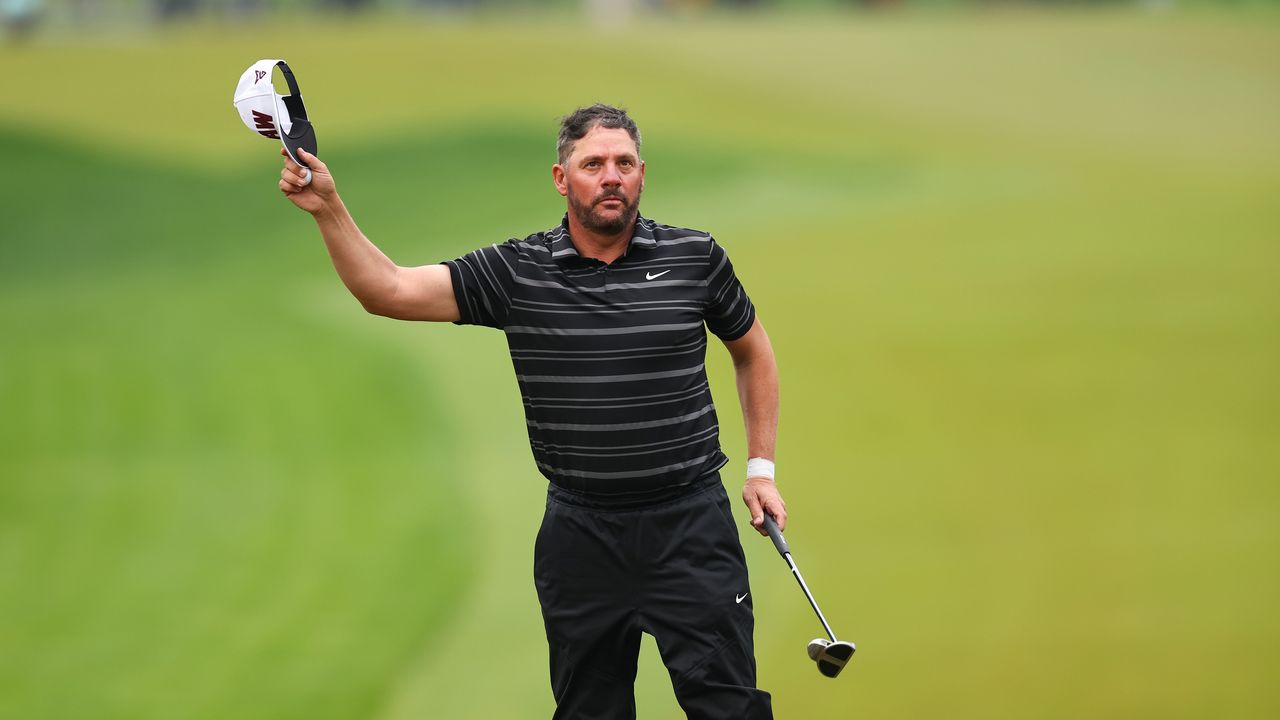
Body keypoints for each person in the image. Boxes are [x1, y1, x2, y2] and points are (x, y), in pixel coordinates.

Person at [279, 104, 785, 719]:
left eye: (624, 163)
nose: (611, 176)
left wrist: (761, 469)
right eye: (592, 164)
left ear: (642, 174)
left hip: (691, 526)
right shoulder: (519, 271)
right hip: (582, 536)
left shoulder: (695, 258)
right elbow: (388, 290)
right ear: (560, 178)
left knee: (731, 710)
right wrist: (329, 209)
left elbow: (752, 351)